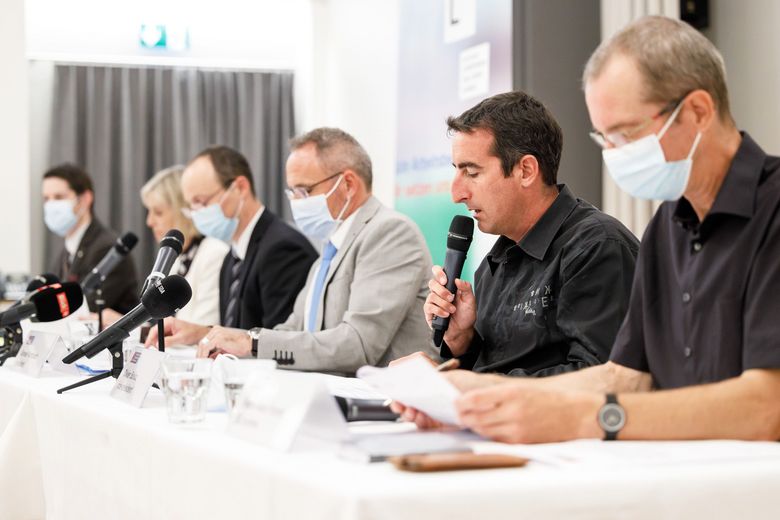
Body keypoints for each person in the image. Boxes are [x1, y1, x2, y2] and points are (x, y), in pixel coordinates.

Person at [399, 16, 780, 443]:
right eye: (605, 139)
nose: (615, 154)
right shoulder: (667, 227)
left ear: (697, 112)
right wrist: (472, 392)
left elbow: (767, 406)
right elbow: (625, 376)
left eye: (626, 134)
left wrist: (589, 417)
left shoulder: (771, 211)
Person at [419, 91, 638, 377]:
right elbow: (493, 367)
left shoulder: (597, 247)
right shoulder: (495, 262)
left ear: (526, 170)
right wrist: (463, 340)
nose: (456, 194)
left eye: (471, 173)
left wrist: (469, 386)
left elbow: (599, 378)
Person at [190, 128, 437, 374]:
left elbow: (358, 344)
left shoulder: (389, 232)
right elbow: (292, 330)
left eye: (304, 191)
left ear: (348, 184)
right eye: (292, 192)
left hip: (383, 395)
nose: (296, 202)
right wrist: (234, 343)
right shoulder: (331, 248)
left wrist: (252, 343)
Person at [146, 146, 317, 347]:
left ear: (240, 188)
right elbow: (236, 332)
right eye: (192, 206)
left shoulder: (282, 249)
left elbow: (280, 343)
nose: (196, 214)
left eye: (201, 202)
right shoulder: (232, 257)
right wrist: (203, 334)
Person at [42, 163, 139, 314]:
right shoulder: (68, 250)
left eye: (59, 197)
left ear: (85, 199)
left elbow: (85, 307)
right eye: (46, 199)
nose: (51, 204)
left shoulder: (108, 248)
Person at [141, 165, 229, 326]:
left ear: (183, 211)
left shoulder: (214, 253)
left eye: (158, 212)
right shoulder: (176, 258)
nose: (149, 222)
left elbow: (202, 328)